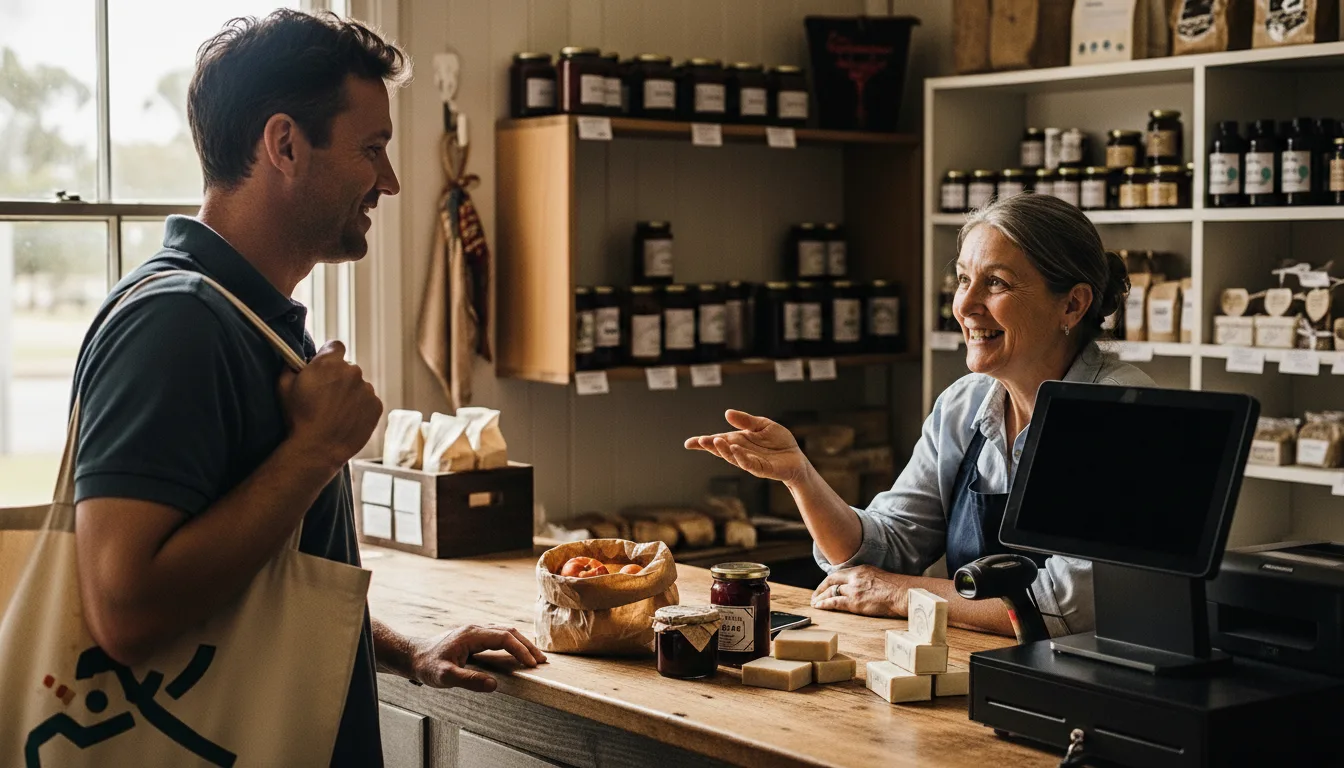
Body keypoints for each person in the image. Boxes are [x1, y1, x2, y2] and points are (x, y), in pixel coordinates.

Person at [69, 11, 543, 767]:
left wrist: (400, 647)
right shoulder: (178, 323)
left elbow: (259, 570)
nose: (388, 180)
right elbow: (125, 610)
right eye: (372, 148)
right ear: (284, 144)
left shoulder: (247, 318)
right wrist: (318, 449)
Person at [686, 193, 1153, 638]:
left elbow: (1065, 609)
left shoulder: (1122, 413)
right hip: (981, 666)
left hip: (1099, 690)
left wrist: (902, 594)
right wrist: (800, 476)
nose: (965, 307)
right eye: (964, 279)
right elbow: (887, 547)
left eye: (995, 283)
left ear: (1072, 303)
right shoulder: (964, 405)